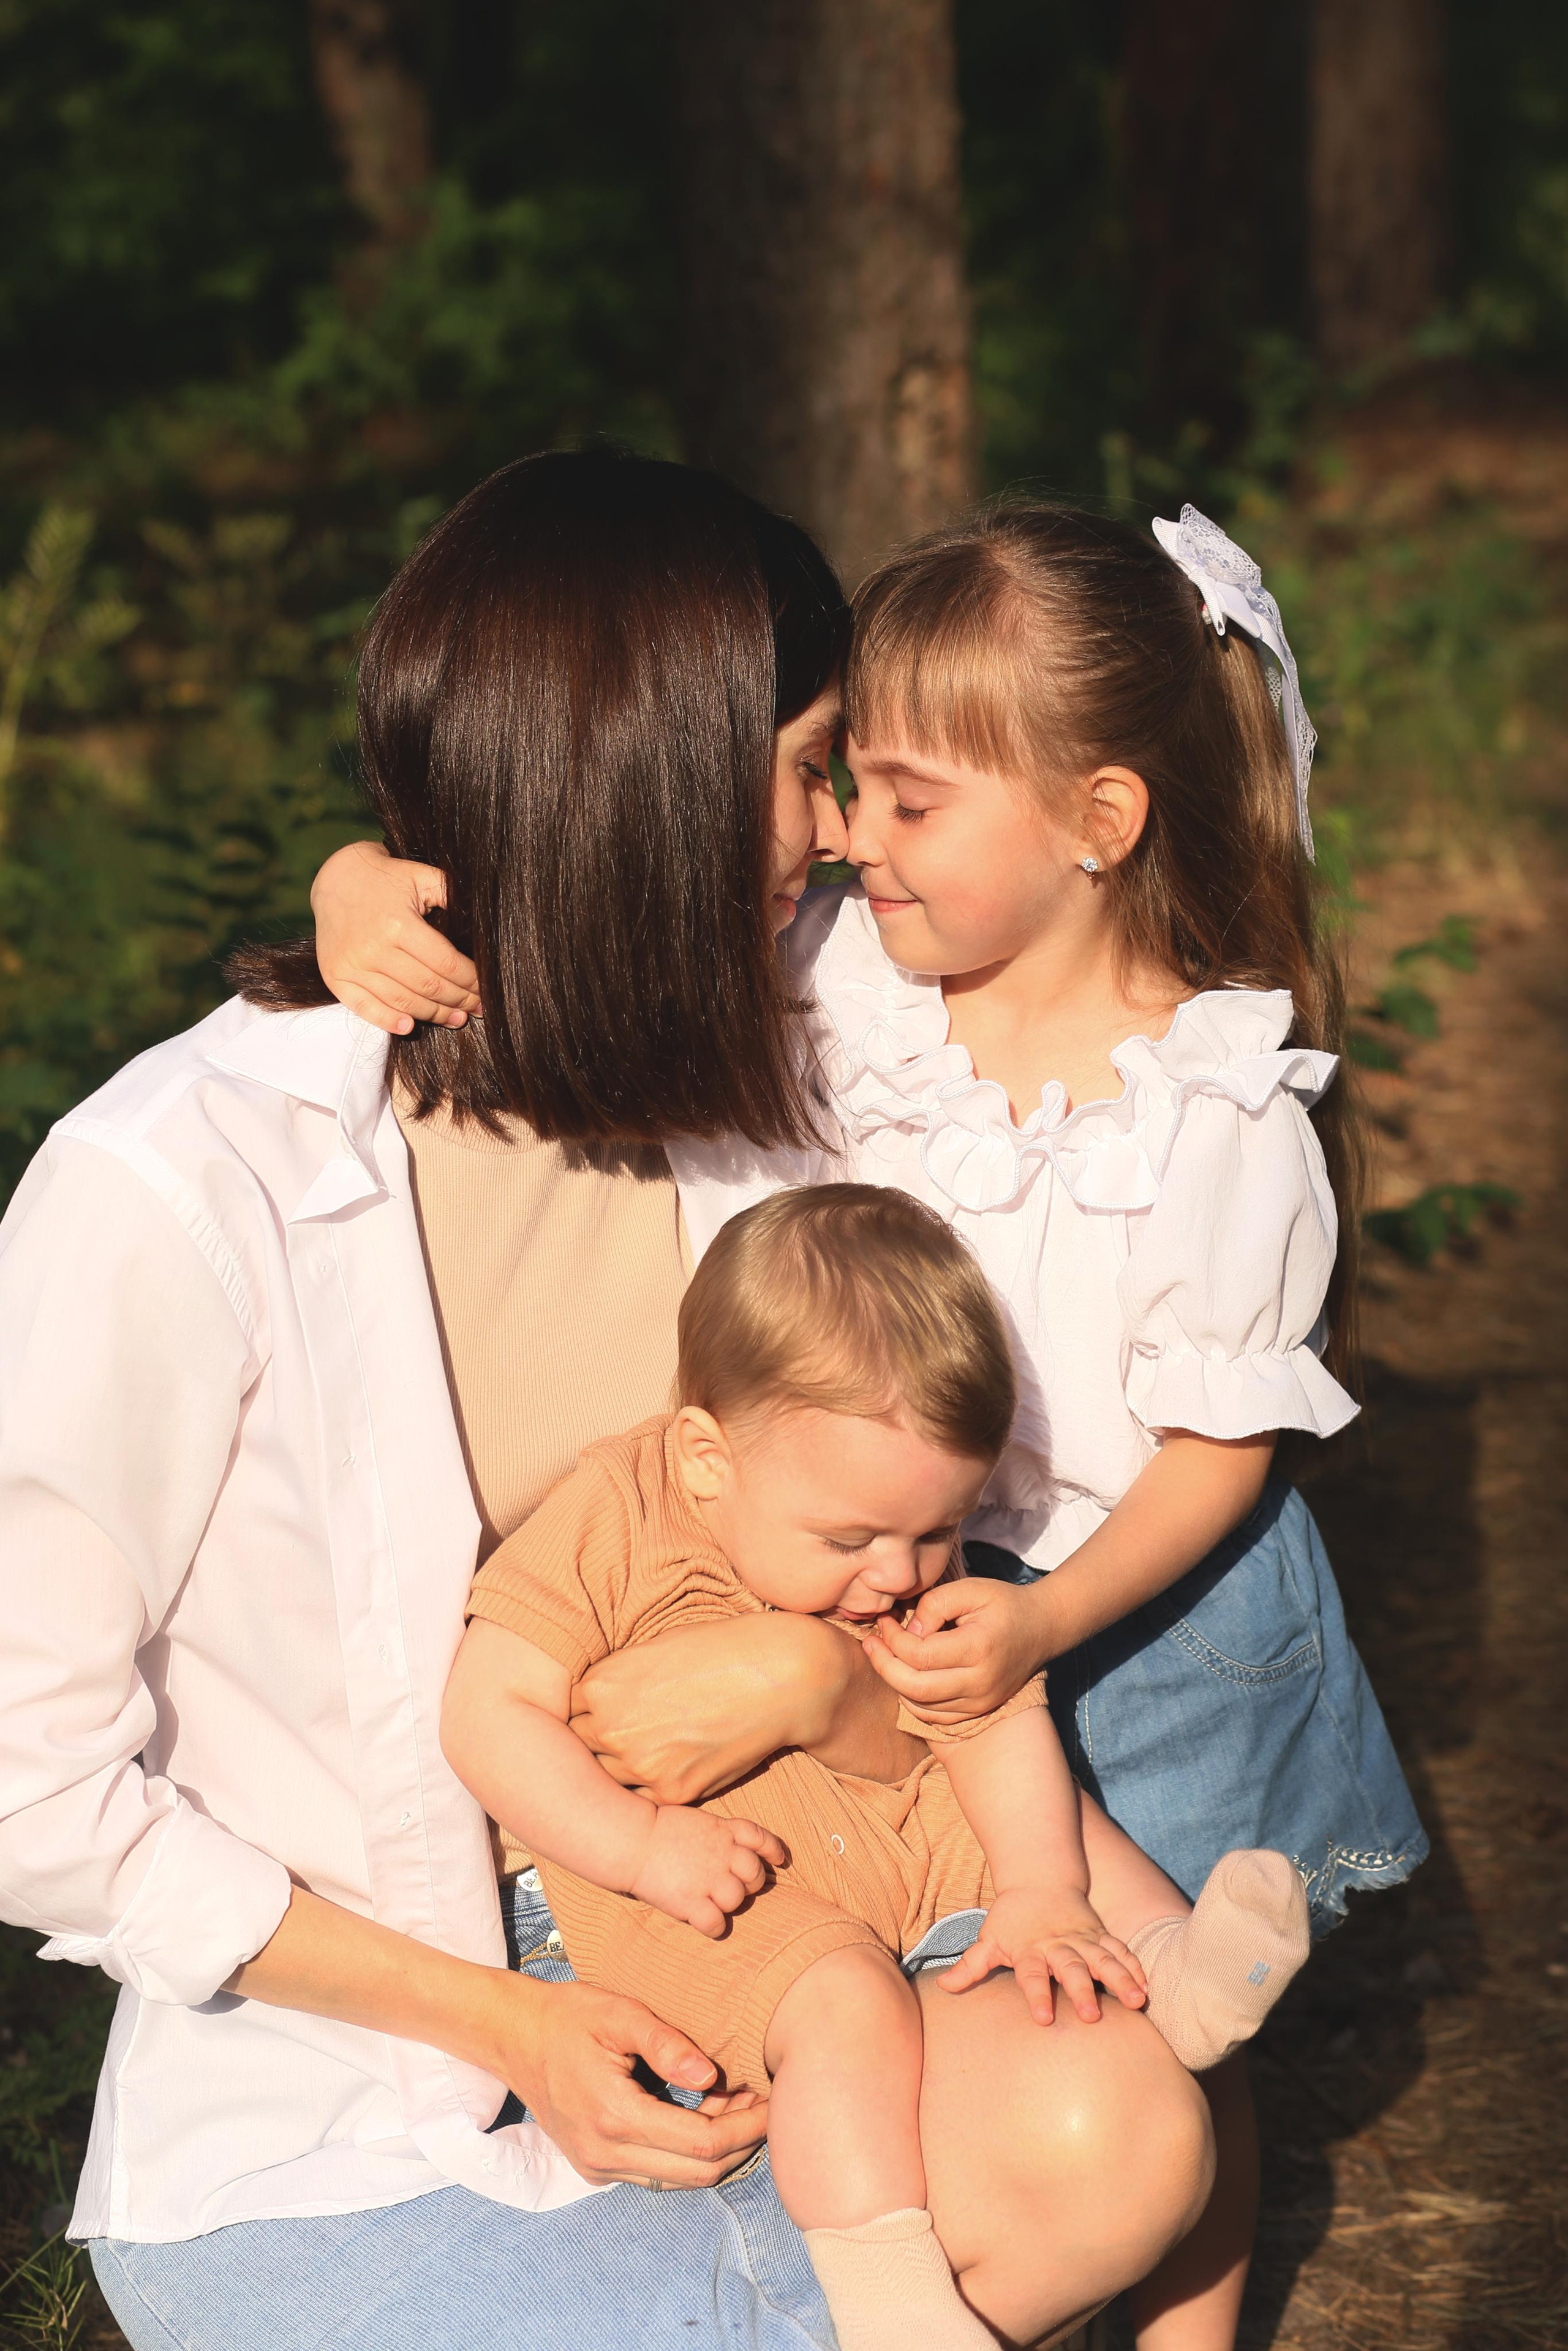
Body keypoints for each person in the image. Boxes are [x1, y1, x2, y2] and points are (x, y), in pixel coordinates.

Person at [0, 452, 1214, 2351]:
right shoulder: (179, 1188)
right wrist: (508, 2021)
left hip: (783, 1927)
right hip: (373, 2073)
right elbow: (28, 1783)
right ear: (646, 785)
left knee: (1116, 2130)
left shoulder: (779, 1059)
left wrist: (821, 1683)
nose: (831, 836)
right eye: (809, 765)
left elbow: (1125, 917)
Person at [318, 497, 1427, 2351]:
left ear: (1102, 822)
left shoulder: (1216, 1104)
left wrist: (1055, 1622)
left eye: (906, 802)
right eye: (849, 789)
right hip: (915, 1558)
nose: (848, 835)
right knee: (1047, 1931)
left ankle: (1187, 2323)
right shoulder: (857, 969)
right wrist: (367, 878)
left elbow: (1229, 1450)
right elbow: (600, 907)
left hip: (1135, 1596)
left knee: (1150, 2019)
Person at [446, 1182, 1311, 2351]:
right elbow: (487, 1714)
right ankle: (892, 2297)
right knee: (844, 1997)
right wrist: (642, 1845)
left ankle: (1172, 1971)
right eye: (852, 1539)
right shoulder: (616, 1511)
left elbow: (989, 1732)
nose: (899, 1572)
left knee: (1043, 1805)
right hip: (709, 1900)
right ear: (708, 1457)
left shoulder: (882, 1556)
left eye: (938, 1530)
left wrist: (1041, 1888)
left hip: (879, 1832)